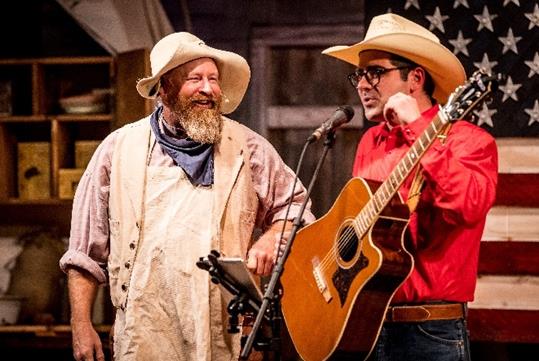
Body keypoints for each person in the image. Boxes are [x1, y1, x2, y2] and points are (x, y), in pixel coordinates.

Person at [59, 32, 315, 361]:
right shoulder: (118, 149)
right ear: (164, 88)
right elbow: (84, 252)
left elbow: (297, 210)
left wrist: (273, 236)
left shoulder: (247, 148)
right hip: (145, 331)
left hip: (227, 333)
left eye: (213, 79)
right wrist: (81, 324)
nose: (208, 89)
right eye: (195, 79)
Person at [322, 13, 498, 361]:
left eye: (375, 72)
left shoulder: (470, 141)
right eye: (359, 74)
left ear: (415, 78)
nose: (361, 84)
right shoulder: (371, 141)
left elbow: (468, 206)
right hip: (363, 326)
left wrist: (418, 126)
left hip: (430, 332)